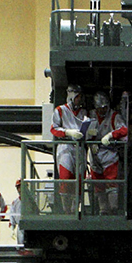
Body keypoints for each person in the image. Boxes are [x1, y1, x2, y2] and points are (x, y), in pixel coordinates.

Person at [84, 90, 128, 214]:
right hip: (94, 154)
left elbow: (124, 130)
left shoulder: (114, 116)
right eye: (99, 108)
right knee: (98, 183)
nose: (101, 111)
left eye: (104, 108)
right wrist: (89, 139)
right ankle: (103, 209)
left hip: (109, 154)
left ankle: (113, 208)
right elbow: (82, 131)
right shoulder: (90, 115)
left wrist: (110, 135)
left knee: (111, 182)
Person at [50, 84, 88, 214]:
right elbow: (53, 129)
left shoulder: (83, 112)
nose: (79, 99)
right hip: (65, 146)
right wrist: (68, 132)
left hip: (80, 147)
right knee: (66, 178)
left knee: (79, 178)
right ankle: (66, 210)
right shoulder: (60, 110)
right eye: (77, 96)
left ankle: (75, 208)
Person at [8, 178, 25, 246]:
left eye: (21, 187)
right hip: (20, 226)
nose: (20, 189)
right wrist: (12, 228)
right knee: (20, 246)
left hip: (30, 226)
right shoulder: (15, 202)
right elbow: (12, 215)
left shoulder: (32, 200)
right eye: (18, 187)